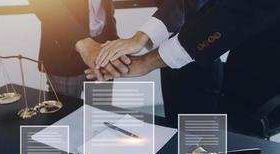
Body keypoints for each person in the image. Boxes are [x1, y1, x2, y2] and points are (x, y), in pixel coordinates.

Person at [81, 0, 280, 124]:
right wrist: (142, 37)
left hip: (265, 60)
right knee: (179, 129)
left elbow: (234, 14)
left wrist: (148, 61)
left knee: (209, 146)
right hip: (216, 50)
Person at [30, 0, 130, 98]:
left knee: (100, 110)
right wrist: (82, 41)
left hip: (103, 50)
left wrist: (113, 40)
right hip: (64, 52)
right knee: (65, 111)